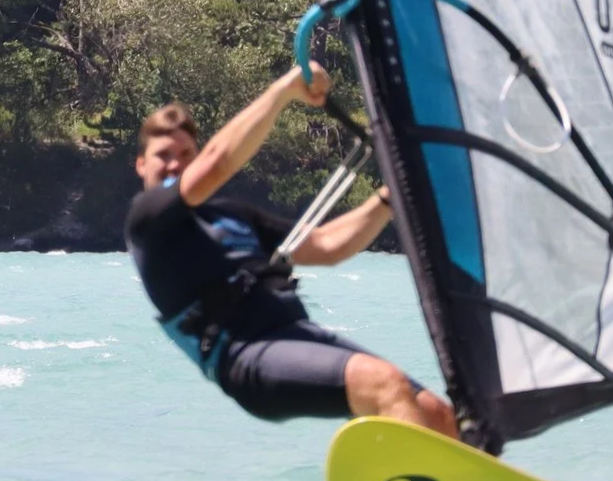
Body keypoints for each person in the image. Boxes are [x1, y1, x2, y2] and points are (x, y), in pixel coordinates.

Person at [125, 69, 458, 437]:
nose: (175, 164)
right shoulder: (146, 220)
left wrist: (389, 198)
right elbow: (217, 164)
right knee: (383, 383)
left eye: (185, 154)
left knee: (437, 415)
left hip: (296, 334)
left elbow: (328, 245)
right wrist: (282, 91)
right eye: (163, 156)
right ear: (141, 165)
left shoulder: (234, 216)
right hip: (245, 356)